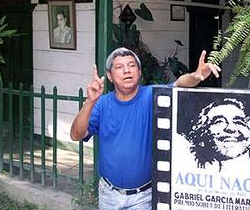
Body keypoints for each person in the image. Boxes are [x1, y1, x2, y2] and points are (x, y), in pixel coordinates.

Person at [70, 47, 221, 209]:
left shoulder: (152, 96)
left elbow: (179, 84)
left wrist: (196, 76)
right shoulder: (102, 104)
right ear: (110, 76)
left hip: (143, 197)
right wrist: (90, 102)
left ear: (139, 71)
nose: (127, 71)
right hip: (109, 195)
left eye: (132, 65)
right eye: (119, 67)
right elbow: (76, 135)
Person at [185, 98, 250, 175]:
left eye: (239, 122)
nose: (231, 128)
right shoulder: (190, 169)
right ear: (202, 132)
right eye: (219, 122)